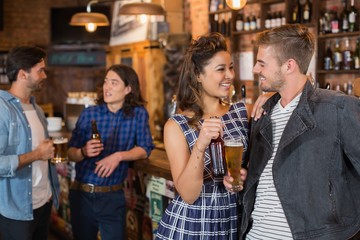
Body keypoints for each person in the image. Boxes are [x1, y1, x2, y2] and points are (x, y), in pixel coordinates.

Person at [225, 24, 360, 240]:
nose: (255, 70)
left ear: (289, 65)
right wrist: (243, 177)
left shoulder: (338, 109)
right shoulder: (262, 114)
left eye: (262, 63)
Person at [155, 32, 250, 239]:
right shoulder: (176, 126)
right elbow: (188, 194)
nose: (230, 76)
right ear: (198, 75)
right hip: (192, 225)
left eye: (231, 68)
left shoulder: (242, 113)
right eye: (221, 69)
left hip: (232, 221)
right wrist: (200, 144)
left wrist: (245, 173)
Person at [67, 64, 154, 240]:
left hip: (112, 196)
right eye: (106, 82)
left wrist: (119, 156)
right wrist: (83, 151)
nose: (107, 87)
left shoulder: (138, 114)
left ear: (128, 89)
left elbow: (145, 148)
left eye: (114, 83)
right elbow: (70, 153)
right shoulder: (90, 113)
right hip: (82, 194)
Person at [0, 46, 60, 240]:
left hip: (43, 202)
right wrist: (37, 155)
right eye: (40, 70)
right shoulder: (3, 110)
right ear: (23, 74)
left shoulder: (37, 109)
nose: (44, 75)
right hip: (16, 209)